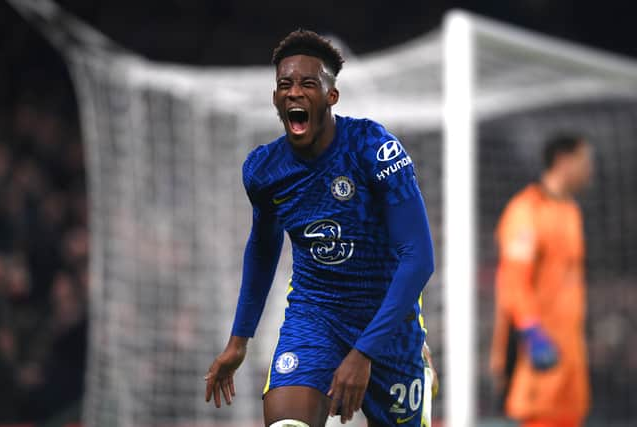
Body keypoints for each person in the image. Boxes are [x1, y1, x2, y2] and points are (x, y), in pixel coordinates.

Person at [204, 29, 435, 427]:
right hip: (316, 316)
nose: (294, 92)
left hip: (387, 322)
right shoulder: (264, 171)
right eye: (284, 85)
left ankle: (420, 365)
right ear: (276, 98)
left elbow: (419, 258)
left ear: (331, 95)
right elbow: (262, 249)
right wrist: (239, 341)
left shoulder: (374, 149)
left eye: (308, 83)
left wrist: (363, 354)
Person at [490, 134, 593, 427]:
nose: (590, 169)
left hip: (570, 353)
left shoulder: (571, 211)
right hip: (536, 353)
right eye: (585, 161)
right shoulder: (526, 211)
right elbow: (513, 280)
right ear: (563, 161)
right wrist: (532, 331)